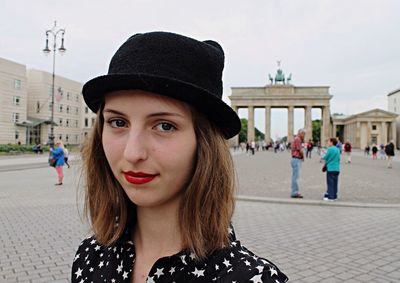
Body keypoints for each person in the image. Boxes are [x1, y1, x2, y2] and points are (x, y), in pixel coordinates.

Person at [71, 32, 288, 283]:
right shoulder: (90, 257)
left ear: (204, 142)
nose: (132, 153)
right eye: (118, 122)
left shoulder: (252, 279)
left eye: (164, 126)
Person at [290, 129, 305, 198]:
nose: (304, 136)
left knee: (294, 176)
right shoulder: (298, 139)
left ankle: (294, 191)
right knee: (295, 177)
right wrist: (303, 157)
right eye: (303, 134)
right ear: (300, 133)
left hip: (294, 159)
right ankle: (294, 192)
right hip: (296, 159)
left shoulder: (295, 139)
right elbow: (300, 149)